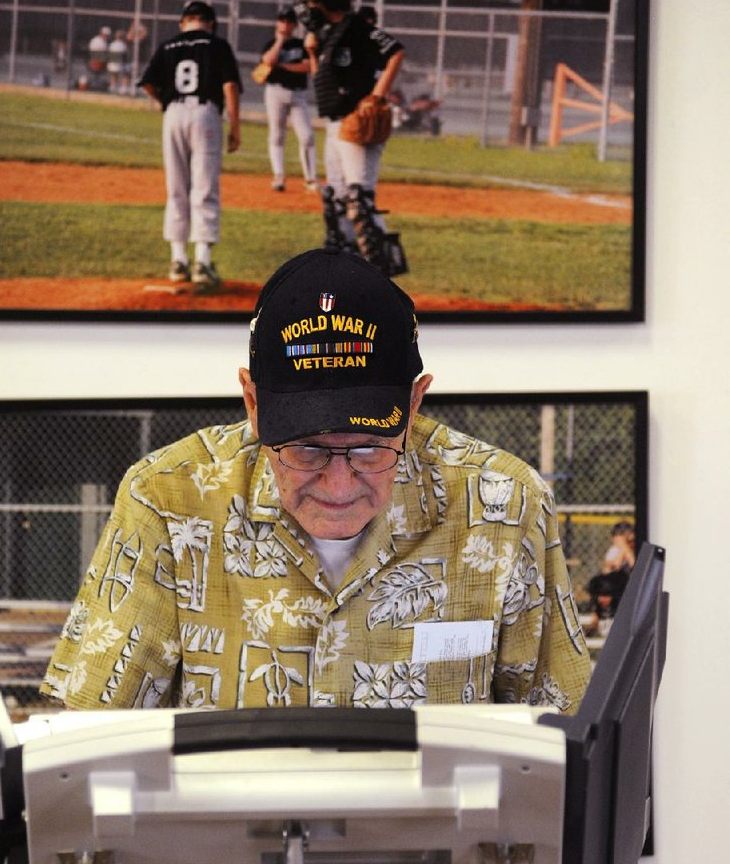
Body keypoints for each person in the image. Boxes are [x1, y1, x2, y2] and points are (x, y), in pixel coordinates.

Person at [42, 246, 591, 714]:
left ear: (413, 402)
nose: (337, 484)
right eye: (305, 451)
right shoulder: (167, 500)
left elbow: (569, 744)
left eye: (368, 449)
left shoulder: (504, 507)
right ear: (253, 404)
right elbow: (90, 738)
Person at [295, 0, 406, 274]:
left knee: (359, 199)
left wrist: (377, 96)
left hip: (356, 122)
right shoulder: (327, 35)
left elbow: (396, 51)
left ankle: (382, 269)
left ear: (328, 0)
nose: (309, 8)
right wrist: (314, 53)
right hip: (335, 123)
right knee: (336, 197)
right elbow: (323, 81)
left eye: (313, 1)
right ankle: (343, 266)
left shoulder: (357, 28)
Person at [139, 0, 242, 289]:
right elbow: (230, 86)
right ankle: (203, 263)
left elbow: (147, 83)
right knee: (204, 187)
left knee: (176, 188)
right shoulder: (217, 45)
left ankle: (178, 261)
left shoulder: (168, 45)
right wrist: (234, 126)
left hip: (173, 114)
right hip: (205, 114)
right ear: (209, 23)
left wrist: (167, 104)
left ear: (184, 22)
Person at [258, 7, 318, 193]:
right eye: (282, 20)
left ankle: (310, 179)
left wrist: (282, 66)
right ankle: (278, 176)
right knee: (277, 134)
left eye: (289, 21)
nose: (285, 24)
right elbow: (268, 61)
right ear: (277, 23)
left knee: (307, 136)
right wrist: (279, 41)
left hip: (298, 94)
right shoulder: (270, 43)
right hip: (275, 91)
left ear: (294, 24)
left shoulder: (301, 45)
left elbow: (307, 67)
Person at [107, 28, 130, 94]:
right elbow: (125, 57)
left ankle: (113, 87)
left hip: (111, 65)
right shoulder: (123, 45)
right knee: (127, 72)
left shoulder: (111, 44)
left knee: (114, 73)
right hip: (119, 65)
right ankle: (123, 88)